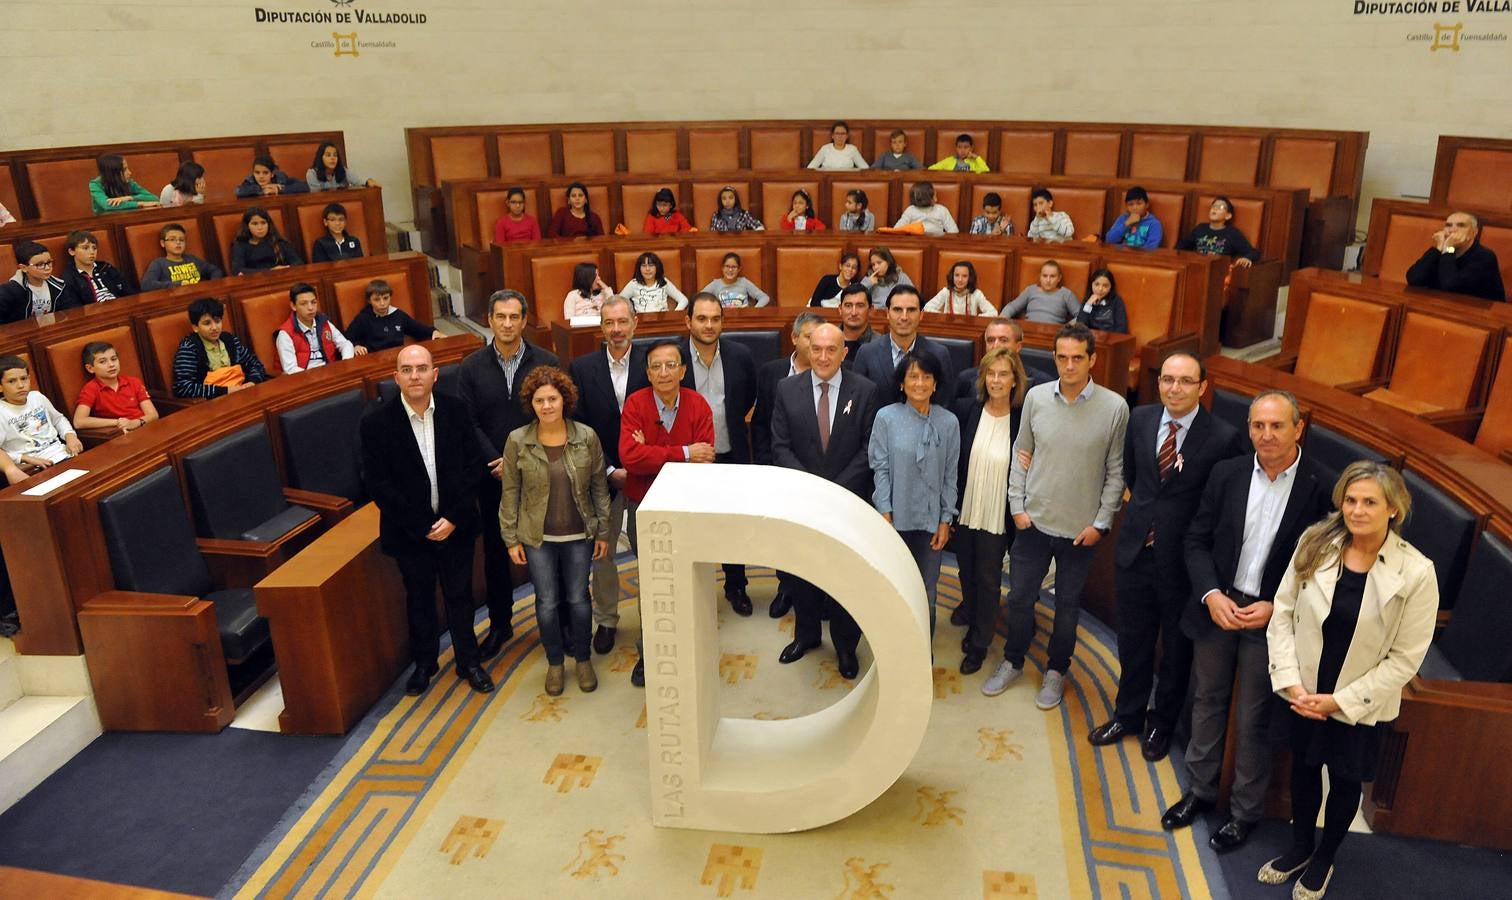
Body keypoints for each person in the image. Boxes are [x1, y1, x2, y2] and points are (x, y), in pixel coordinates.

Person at [1162, 390, 1332, 853]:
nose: (1266, 435)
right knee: (1207, 700)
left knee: (1255, 717)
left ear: (1298, 429)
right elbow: (1196, 539)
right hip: (1220, 606)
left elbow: (1326, 567)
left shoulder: (1321, 486)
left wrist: (1278, 607)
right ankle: (1198, 791)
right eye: (1258, 425)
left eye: (1277, 425)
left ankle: (1243, 813)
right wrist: (1211, 593)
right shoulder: (1228, 473)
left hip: (1273, 618)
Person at [1261, 462, 1438, 899]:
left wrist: (1340, 702)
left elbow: (1405, 659)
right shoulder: (1315, 542)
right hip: (1303, 689)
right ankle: (1301, 846)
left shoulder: (1417, 572)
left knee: (1344, 780)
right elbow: (1282, 612)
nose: (1357, 511)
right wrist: (1291, 684)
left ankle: (1325, 857)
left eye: (1369, 502)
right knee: (1303, 769)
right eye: (1350, 500)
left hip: (1359, 699)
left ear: (1393, 509)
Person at [1086, 353, 1245, 761]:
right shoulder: (1140, 419)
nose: (1175, 388)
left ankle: (1162, 723)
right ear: (1158, 383)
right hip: (1135, 551)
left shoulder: (1223, 437)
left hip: (1184, 563)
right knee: (1133, 641)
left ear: (1202, 387)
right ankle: (1128, 714)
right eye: (1168, 380)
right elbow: (1136, 477)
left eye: (1185, 381)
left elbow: (1221, 505)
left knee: (1175, 651)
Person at [982, 323, 1128, 710]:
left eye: (1077, 358)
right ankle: (1013, 659)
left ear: (1092, 360)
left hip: (1080, 531)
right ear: (1054, 358)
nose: (1069, 365)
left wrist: (1101, 523)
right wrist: (1017, 507)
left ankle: (1056, 670)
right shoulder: (1036, 397)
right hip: (1033, 522)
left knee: (1066, 607)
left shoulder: (1115, 407)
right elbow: (1021, 453)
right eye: (1062, 357)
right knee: (1019, 598)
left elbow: (1116, 472)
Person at [361, 344, 494, 696]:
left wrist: (452, 518)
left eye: (421, 368)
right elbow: (377, 483)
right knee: (419, 598)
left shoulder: (457, 411)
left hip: (456, 526)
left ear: (435, 374)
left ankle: (469, 661)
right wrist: (422, 525)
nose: (415, 376)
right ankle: (424, 663)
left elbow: (472, 469)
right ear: (396, 378)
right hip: (409, 532)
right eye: (407, 370)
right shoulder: (376, 423)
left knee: (460, 595)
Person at [771, 324, 880, 678]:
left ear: (844, 353)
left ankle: (845, 646)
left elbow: (868, 448)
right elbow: (780, 447)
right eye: (816, 348)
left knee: (846, 578)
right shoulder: (787, 389)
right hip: (802, 504)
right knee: (804, 573)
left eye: (831, 349)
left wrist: (833, 490)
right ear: (807, 349)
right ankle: (806, 635)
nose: (822, 356)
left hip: (848, 503)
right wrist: (812, 490)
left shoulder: (865, 391)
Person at [458, 290, 561, 662]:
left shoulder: (547, 362)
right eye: (500, 316)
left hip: (540, 473)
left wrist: (520, 461)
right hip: (491, 477)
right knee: (496, 554)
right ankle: (501, 624)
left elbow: (554, 416)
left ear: (524, 320)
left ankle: (560, 622)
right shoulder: (470, 367)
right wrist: (496, 459)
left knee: (551, 547)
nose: (507, 323)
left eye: (514, 316)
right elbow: (467, 422)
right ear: (489, 319)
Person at [500, 366, 611, 696]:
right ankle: (555, 663)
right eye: (539, 400)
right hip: (538, 539)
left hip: (579, 535)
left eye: (552, 399)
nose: (546, 406)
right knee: (547, 602)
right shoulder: (517, 441)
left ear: (565, 400)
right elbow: (510, 492)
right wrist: (510, 538)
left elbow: (599, 487)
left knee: (578, 598)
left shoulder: (586, 437)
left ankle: (583, 659)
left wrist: (604, 531)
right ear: (531, 404)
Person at [619, 340, 716, 686]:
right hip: (644, 505)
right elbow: (630, 458)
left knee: (690, 577)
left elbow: (706, 458)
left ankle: (691, 648)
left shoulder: (698, 404)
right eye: (656, 366)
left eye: (671, 365)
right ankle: (649, 654)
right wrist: (684, 452)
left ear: (683, 371)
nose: (664, 373)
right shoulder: (636, 403)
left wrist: (652, 451)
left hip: (688, 505)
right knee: (652, 582)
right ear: (647, 373)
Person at [568, 296, 649, 655]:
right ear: (600, 327)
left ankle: (652, 619)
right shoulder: (582, 368)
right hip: (603, 478)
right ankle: (606, 620)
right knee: (602, 553)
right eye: (609, 323)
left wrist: (638, 464)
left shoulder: (653, 362)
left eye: (622, 322)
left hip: (648, 476)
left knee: (650, 551)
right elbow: (579, 427)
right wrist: (612, 468)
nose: (616, 330)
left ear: (635, 323)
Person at [869, 351, 959, 636]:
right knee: (892, 588)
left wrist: (946, 520)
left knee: (926, 592)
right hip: (895, 521)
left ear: (935, 383)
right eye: (913, 377)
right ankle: (892, 646)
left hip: (931, 523)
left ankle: (922, 650)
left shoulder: (949, 422)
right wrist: (885, 513)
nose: (920, 383)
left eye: (926, 377)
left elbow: (950, 475)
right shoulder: (886, 418)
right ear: (901, 383)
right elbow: (880, 469)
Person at [682, 294, 759, 615]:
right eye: (702, 318)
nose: (709, 325)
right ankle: (692, 591)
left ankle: (736, 585)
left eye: (715, 319)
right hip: (686, 461)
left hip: (730, 454)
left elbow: (748, 397)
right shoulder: (673, 357)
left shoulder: (741, 356)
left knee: (732, 526)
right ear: (688, 321)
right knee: (691, 528)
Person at [951, 347, 1027, 673]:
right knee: (966, 571)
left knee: (989, 578)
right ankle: (972, 617)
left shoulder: (1023, 420)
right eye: (990, 374)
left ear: (1015, 380)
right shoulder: (967, 410)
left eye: (1003, 374)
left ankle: (980, 643)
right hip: (967, 508)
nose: (996, 380)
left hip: (998, 513)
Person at [752, 311, 825, 620]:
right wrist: (766, 467)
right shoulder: (771, 372)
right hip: (780, 471)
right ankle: (787, 587)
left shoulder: (833, 372)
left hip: (821, 476)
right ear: (795, 338)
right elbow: (760, 424)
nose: (816, 345)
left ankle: (821, 592)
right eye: (809, 337)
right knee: (784, 535)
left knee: (819, 537)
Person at [853, 284, 958, 403]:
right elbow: (858, 401)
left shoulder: (939, 354)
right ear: (887, 313)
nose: (904, 317)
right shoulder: (867, 353)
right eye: (897, 310)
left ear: (921, 314)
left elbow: (946, 402)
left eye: (911, 310)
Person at [0, 354, 82, 489]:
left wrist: (70, 436)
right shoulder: (1, 411)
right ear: (1, 386)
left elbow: (58, 419)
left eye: (24, 379)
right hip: (35, 467)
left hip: (65, 455)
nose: (20, 385)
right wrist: (22, 458)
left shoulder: (37, 397)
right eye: (12, 381)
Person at [171, 297, 270, 398]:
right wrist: (226, 391)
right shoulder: (189, 348)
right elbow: (182, 387)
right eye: (207, 323)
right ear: (195, 327)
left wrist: (251, 383)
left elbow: (256, 365)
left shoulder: (230, 340)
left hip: (243, 393)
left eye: (217, 321)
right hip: (213, 402)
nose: (214, 328)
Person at [1404, 210, 1506, 302]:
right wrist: (1438, 249)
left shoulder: (1485, 257)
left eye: (1461, 225)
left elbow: (1450, 286)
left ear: (1474, 232)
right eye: (1448, 225)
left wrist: (1449, 248)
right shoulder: (1441, 251)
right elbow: (1414, 279)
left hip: (1477, 311)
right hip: (1442, 304)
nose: (1452, 230)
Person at [72, 341, 159, 436]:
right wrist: (117, 422)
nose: (111, 365)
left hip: (146, 428)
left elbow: (153, 415)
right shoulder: (91, 389)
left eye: (114, 359)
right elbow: (79, 422)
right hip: (121, 434)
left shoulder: (134, 382)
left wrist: (136, 423)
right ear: (90, 368)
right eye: (103, 362)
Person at [274, 282, 360, 374]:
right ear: (293, 306)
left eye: (313, 302)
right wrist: (314, 376)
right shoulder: (285, 334)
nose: (311, 308)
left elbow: (345, 344)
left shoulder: (323, 322)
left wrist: (345, 364)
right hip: (305, 377)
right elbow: (290, 369)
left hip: (331, 373)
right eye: (304, 304)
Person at [345, 279, 440, 353]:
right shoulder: (363, 318)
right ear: (369, 301)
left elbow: (418, 329)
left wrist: (433, 331)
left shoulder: (398, 315)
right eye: (377, 300)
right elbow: (346, 339)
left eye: (386, 298)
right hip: (374, 360)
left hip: (399, 357)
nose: (382, 303)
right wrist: (355, 346)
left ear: (390, 297)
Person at [955, 317, 1031, 402]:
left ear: (1018, 346)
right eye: (991, 340)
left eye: (1003, 340)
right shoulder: (965, 379)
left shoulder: (1036, 383)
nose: (995, 346)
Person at [1, 242, 76, 323]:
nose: (47, 268)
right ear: (23, 268)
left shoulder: (59, 287)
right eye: (40, 265)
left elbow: (67, 314)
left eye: (49, 262)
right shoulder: (9, 292)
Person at [1176, 196, 1260, 266]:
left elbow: (1253, 252)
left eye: (1221, 207)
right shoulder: (1200, 228)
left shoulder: (1232, 233)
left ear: (1228, 216)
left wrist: (1246, 258)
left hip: (1218, 269)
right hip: (1198, 266)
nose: (1215, 209)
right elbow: (1181, 246)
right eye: (1213, 206)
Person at [139, 223, 223, 291]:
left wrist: (212, 285)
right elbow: (146, 285)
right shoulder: (159, 263)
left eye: (181, 240)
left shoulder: (192, 259)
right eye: (172, 239)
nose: (178, 242)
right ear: (162, 243)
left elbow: (215, 270)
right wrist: (177, 285)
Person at [59, 230, 132, 306]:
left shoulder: (106, 268)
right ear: (72, 251)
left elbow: (128, 292)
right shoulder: (69, 278)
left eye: (94, 248)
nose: (92, 252)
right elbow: (75, 308)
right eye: (85, 248)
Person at [229, 207, 303, 275]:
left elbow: (298, 262)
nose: (260, 228)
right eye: (255, 224)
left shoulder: (277, 240)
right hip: (255, 281)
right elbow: (237, 270)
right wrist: (270, 271)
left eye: (263, 223)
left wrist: (286, 268)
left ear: (269, 224)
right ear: (247, 226)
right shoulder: (240, 244)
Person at [1002, 260, 1081, 324]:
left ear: (1059, 278)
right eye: (1045, 276)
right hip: (1028, 331)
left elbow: (1081, 316)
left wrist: (1068, 327)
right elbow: (1012, 307)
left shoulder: (1066, 294)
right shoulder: (1030, 290)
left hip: (1054, 334)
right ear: (1040, 276)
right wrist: (1002, 318)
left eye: (1052, 276)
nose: (1048, 280)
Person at [89, 154, 160, 213]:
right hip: (106, 222)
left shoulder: (128, 182)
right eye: (125, 169)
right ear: (113, 173)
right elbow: (107, 205)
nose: (130, 172)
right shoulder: (95, 184)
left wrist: (129, 198)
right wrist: (140, 203)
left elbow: (154, 198)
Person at [620, 251, 688, 312]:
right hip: (641, 321)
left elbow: (683, 300)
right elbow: (619, 302)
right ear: (639, 269)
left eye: (651, 265)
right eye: (644, 266)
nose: (647, 269)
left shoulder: (663, 282)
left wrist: (673, 315)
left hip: (663, 320)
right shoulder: (633, 284)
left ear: (657, 267)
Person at [925, 261, 998, 316]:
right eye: (957, 275)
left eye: (964, 276)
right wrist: (943, 317)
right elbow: (927, 307)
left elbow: (993, 312)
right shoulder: (946, 292)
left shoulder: (976, 294)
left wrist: (975, 319)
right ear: (952, 276)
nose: (960, 280)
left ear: (970, 278)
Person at [700, 252, 769, 308]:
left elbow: (764, 297)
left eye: (734, 267)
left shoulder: (744, 282)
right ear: (722, 268)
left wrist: (754, 310)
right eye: (727, 266)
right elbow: (699, 298)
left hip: (742, 319)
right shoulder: (715, 284)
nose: (730, 270)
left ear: (739, 269)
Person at [1074, 267, 1129, 333]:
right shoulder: (1088, 300)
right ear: (1091, 284)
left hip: (1110, 337)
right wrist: (1088, 305)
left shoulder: (1116, 301)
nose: (1100, 289)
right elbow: (1079, 327)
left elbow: (1122, 329)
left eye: (1105, 286)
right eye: (1097, 284)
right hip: (1090, 337)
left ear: (1110, 288)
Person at [306, 141, 379, 191]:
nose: (332, 158)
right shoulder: (312, 174)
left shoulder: (343, 171)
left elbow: (359, 181)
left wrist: (368, 181)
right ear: (320, 157)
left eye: (335, 155)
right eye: (328, 155)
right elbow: (316, 197)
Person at [893, 182, 959, 235]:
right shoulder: (910, 210)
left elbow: (954, 231)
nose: (936, 199)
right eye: (934, 196)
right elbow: (897, 229)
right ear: (925, 198)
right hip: (915, 241)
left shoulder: (941, 210)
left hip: (936, 241)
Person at [235, 155, 309, 197]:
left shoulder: (280, 178)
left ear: (272, 174)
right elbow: (238, 191)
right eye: (257, 173)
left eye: (265, 173)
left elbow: (304, 186)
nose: (261, 176)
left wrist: (279, 190)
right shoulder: (250, 180)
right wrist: (262, 188)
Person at [838, 284, 877, 360]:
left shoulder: (881, 345)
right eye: (848, 306)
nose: (854, 313)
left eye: (860, 306)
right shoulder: (826, 340)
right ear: (840, 309)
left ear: (870, 310)